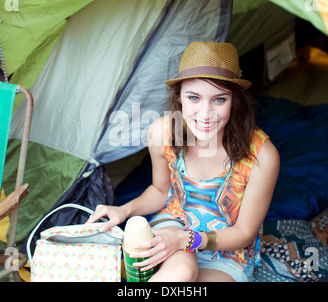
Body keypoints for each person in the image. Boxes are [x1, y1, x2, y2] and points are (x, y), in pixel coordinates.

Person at [86, 42, 280, 282]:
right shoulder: (161, 133)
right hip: (173, 226)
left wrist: (189, 239)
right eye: (194, 98)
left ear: (235, 100)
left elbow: (243, 232)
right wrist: (123, 210)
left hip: (228, 250)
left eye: (219, 100)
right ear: (178, 97)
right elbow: (160, 190)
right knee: (181, 272)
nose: (205, 112)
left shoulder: (262, 155)